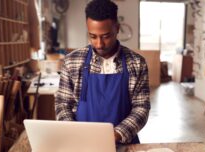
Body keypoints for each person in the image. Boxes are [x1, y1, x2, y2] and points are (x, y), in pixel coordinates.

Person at [55, 0, 150, 144]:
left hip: (124, 144)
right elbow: (63, 104)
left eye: (106, 36)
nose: (99, 44)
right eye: (93, 36)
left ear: (117, 29)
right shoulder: (72, 61)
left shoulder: (136, 63)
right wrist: (73, 132)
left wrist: (118, 133)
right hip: (82, 144)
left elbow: (141, 107)